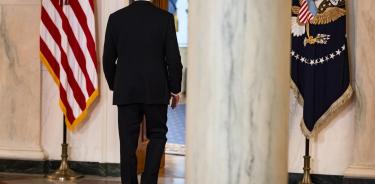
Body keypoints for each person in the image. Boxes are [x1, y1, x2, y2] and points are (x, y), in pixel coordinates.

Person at [102, 0, 183, 183]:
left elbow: (107, 59)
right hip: (156, 89)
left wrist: (117, 85)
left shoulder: (116, 19)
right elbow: (174, 59)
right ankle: (148, 180)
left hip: (126, 90)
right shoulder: (165, 18)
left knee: (127, 143)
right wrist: (175, 89)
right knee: (157, 135)